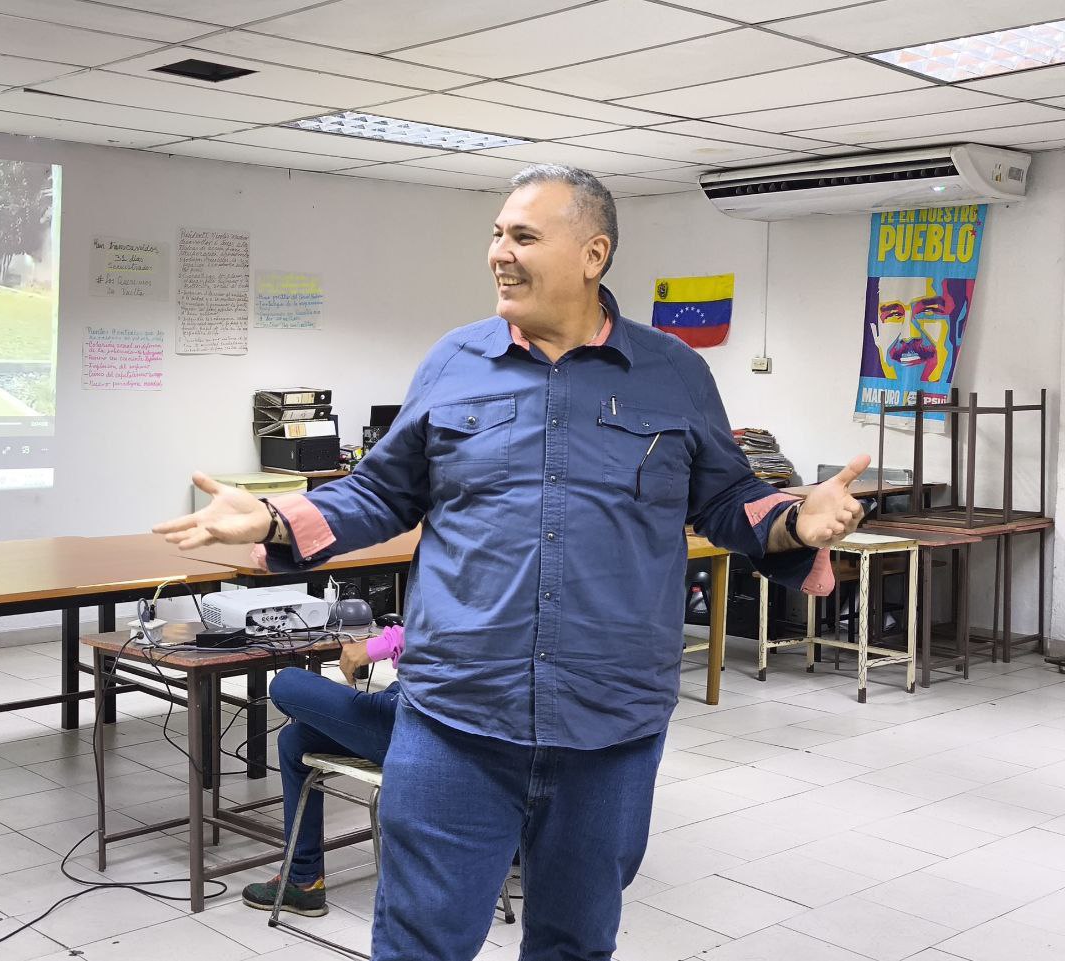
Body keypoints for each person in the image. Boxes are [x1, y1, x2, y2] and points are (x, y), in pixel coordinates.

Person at [156, 164, 865, 961]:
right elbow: (383, 491)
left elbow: (729, 502)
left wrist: (797, 519)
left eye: (523, 236)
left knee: (574, 944)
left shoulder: (673, 373)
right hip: (456, 717)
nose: (500, 252)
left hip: (610, 725)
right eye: (497, 234)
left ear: (593, 254)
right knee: (420, 944)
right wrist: (275, 515)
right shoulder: (453, 362)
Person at [240, 625, 403, 917]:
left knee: (286, 682)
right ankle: (304, 881)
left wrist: (383, 644)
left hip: (409, 721)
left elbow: (449, 633)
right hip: (412, 713)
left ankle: (302, 877)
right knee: (294, 741)